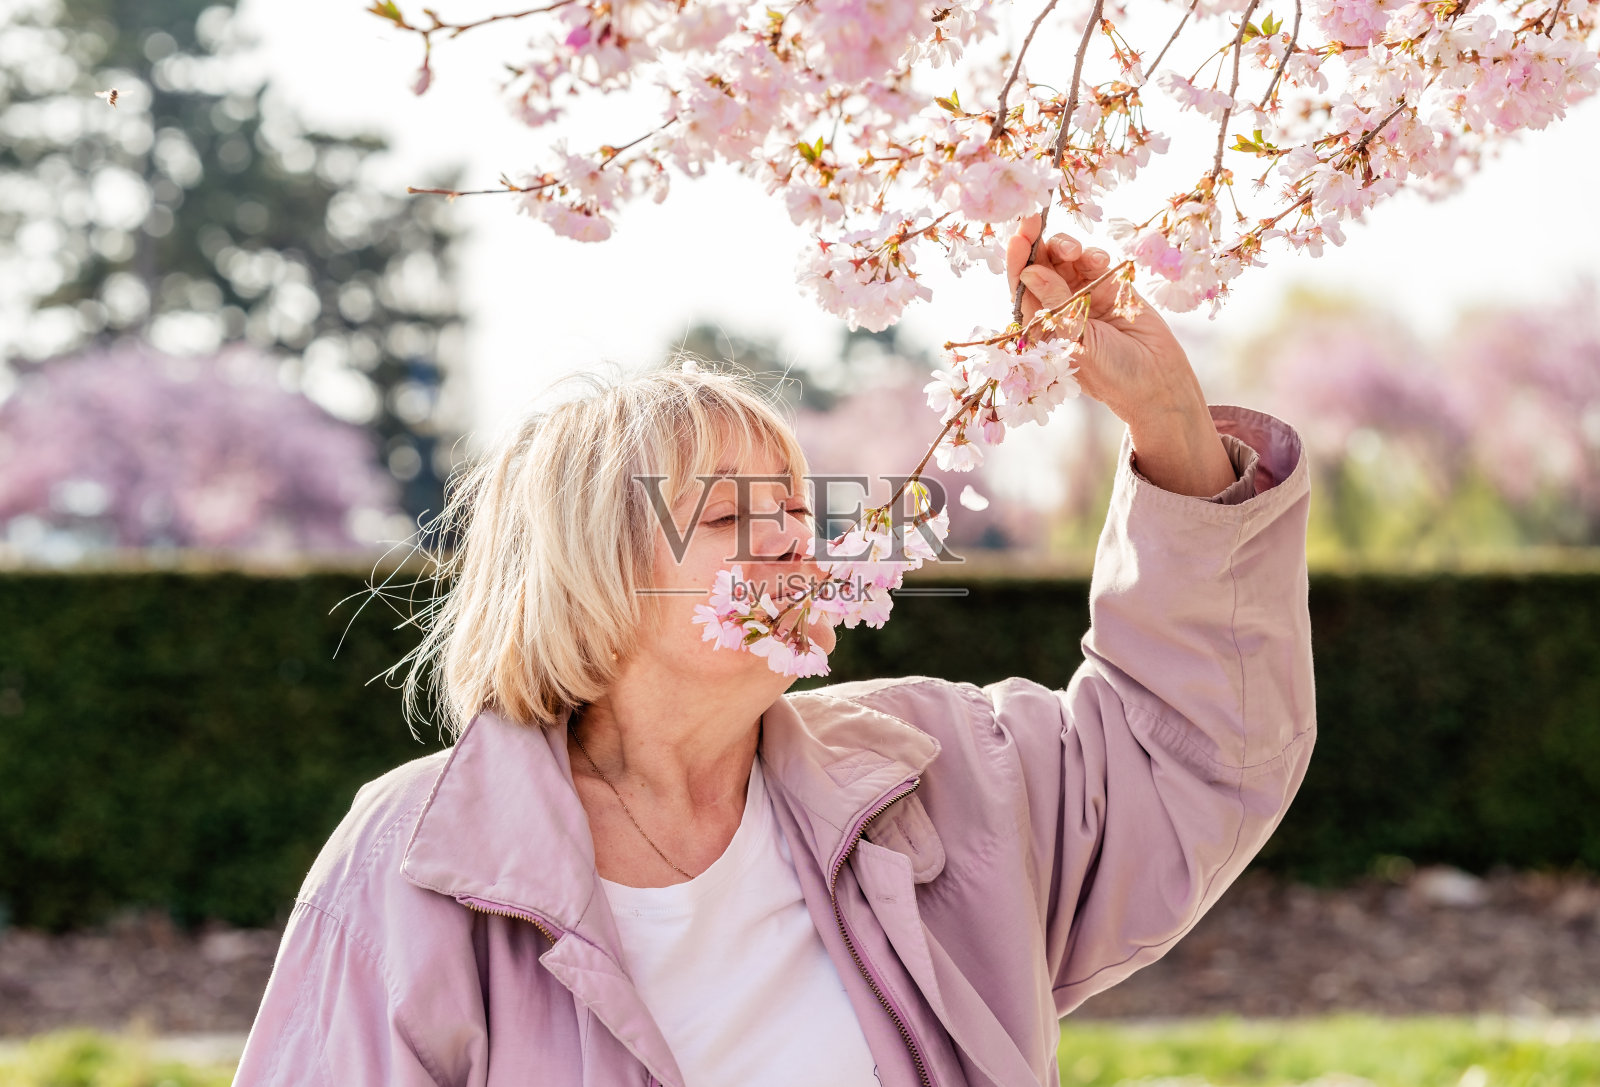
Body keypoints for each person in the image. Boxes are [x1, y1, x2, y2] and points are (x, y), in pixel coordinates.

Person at [234, 214, 1315, 1087]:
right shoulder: (421, 862)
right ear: (592, 573)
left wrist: (1173, 432)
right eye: (729, 519)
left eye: (797, 511)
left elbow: (1198, 751)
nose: (796, 540)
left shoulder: (940, 773)